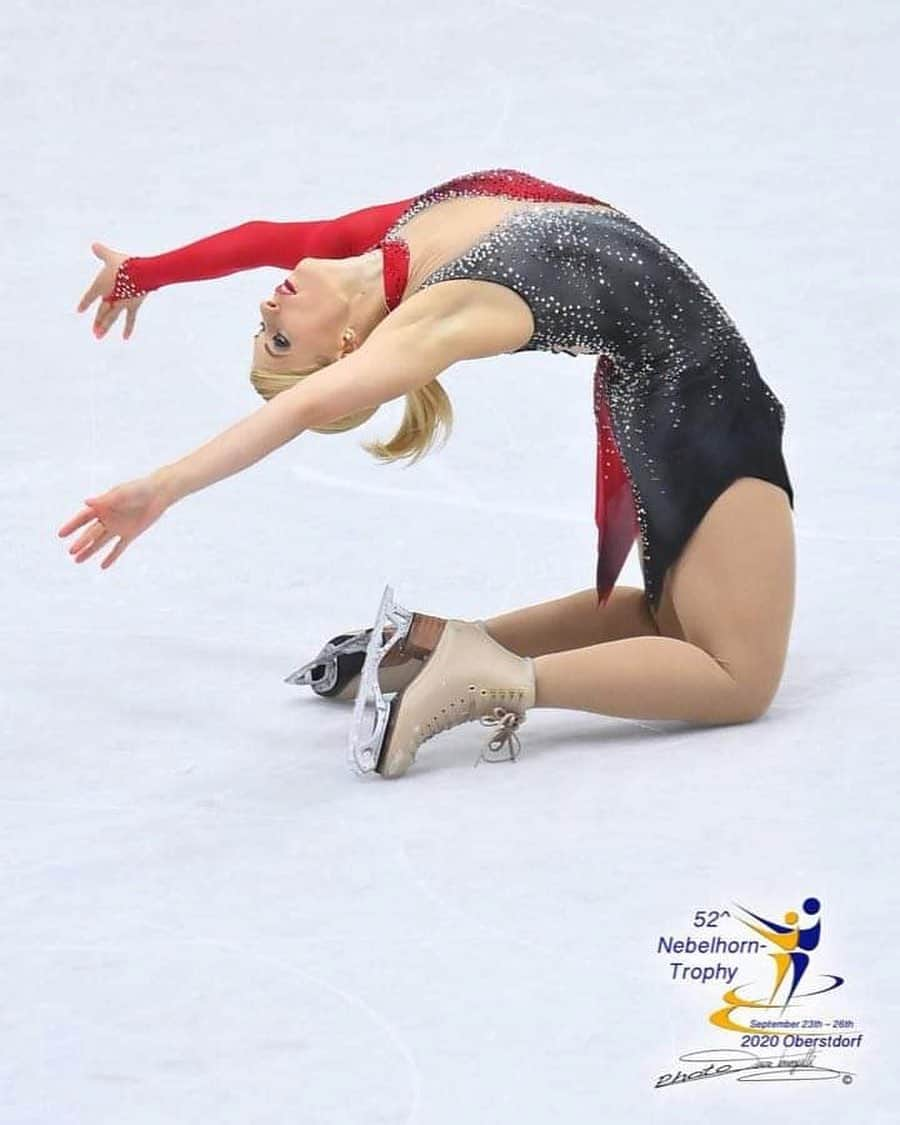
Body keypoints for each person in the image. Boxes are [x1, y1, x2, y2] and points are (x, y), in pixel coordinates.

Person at [58, 167, 796, 779]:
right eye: (278, 340)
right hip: (695, 397)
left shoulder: (391, 240)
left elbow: (264, 239)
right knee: (739, 676)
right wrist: (165, 485)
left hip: (659, 388)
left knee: (666, 626)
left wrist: (147, 273)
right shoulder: (431, 318)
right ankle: (492, 678)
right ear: (352, 350)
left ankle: (429, 646)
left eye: (265, 335)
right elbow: (303, 406)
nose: (266, 309)